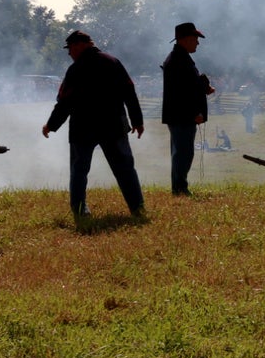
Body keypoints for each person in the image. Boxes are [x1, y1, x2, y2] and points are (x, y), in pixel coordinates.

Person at [42, 30, 146, 224]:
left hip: (83, 126)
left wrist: (51, 124)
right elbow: (129, 92)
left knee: (79, 170)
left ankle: (80, 210)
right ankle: (137, 207)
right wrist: (137, 121)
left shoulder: (76, 69)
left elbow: (65, 101)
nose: (69, 53)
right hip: (113, 125)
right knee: (125, 168)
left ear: (79, 45)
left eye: (70, 48)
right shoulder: (113, 62)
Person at [161, 22, 213, 196]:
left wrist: (203, 85)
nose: (197, 42)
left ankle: (179, 187)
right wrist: (194, 113)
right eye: (195, 39)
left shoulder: (181, 59)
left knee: (182, 152)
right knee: (183, 153)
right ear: (185, 39)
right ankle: (180, 189)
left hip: (181, 115)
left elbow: (190, 85)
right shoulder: (178, 61)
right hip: (182, 115)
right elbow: (181, 93)